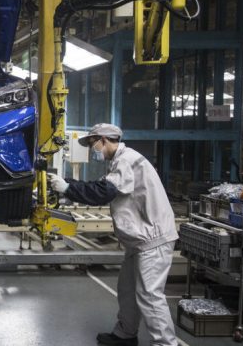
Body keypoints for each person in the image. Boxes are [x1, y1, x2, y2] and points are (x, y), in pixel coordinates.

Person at [47, 123, 179, 346]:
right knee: (127, 290)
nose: (93, 150)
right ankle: (126, 334)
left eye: (93, 144)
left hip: (152, 240)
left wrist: (67, 189)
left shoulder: (127, 160)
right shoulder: (121, 161)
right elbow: (101, 186)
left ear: (105, 140)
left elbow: (103, 193)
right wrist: (66, 183)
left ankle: (166, 343)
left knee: (149, 296)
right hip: (140, 241)